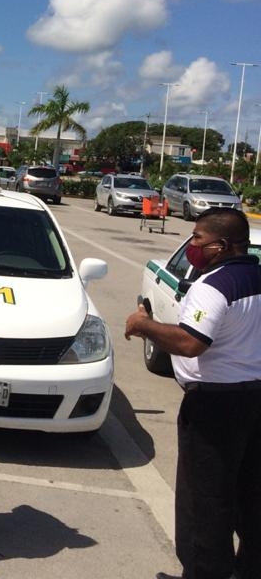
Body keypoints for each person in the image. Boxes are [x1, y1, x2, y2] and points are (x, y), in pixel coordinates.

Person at [125, 207, 261, 579]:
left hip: (216, 406)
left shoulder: (213, 285)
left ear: (222, 245)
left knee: (205, 503)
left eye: (199, 238)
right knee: (249, 496)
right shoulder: (256, 277)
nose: (193, 246)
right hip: (254, 400)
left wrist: (145, 325)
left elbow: (190, 343)